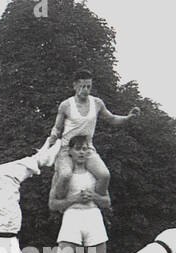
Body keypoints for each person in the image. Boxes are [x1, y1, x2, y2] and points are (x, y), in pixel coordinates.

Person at [41, 136, 113, 253]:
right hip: (72, 216)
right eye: (78, 148)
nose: (82, 152)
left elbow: (106, 202)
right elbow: (53, 204)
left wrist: (93, 197)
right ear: (70, 151)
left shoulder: (96, 173)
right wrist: (74, 199)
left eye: (85, 148)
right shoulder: (62, 173)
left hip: (93, 216)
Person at [43, 68, 139, 199]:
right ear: (75, 85)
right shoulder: (66, 105)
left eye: (89, 86)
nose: (86, 90)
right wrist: (51, 141)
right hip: (67, 149)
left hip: (87, 148)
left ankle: (93, 202)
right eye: (82, 86)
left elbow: (112, 119)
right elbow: (57, 128)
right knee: (65, 175)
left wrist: (128, 117)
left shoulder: (97, 103)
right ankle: (60, 203)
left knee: (105, 175)